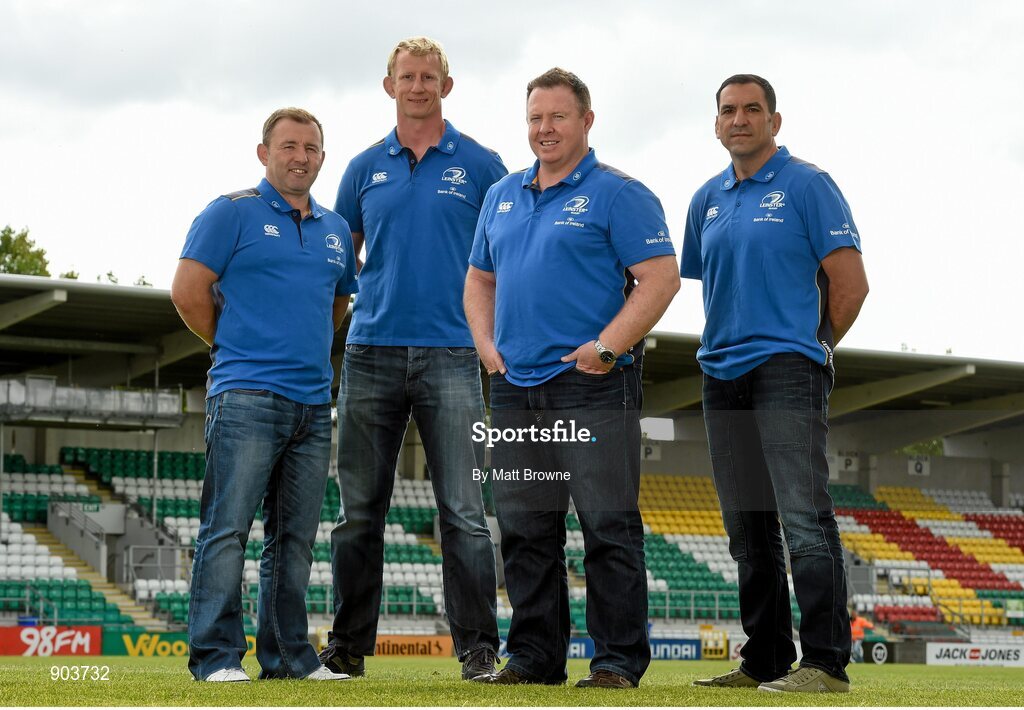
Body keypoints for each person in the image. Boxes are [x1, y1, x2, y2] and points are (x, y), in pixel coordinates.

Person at [465, 68, 680, 689]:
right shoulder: (502, 194)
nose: (544, 128)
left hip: (590, 385)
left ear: (587, 121)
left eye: (558, 116)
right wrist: (485, 345)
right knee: (527, 529)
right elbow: (479, 280)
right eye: (535, 117)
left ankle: (615, 663)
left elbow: (660, 277)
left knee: (606, 525)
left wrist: (608, 348)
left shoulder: (619, 193)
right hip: (513, 387)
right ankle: (534, 657)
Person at [318, 37, 507, 681]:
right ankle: (346, 648)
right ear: (389, 85)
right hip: (370, 352)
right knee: (358, 512)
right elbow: (336, 260)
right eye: (408, 76)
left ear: (446, 87)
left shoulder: (483, 165)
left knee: (463, 511)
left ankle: (479, 648)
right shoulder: (363, 167)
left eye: (429, 76)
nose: (418, 86)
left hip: (454, 355)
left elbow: (505, 260)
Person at [684, 75, 868, 694]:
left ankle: (824, 664)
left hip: (787, 368)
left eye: (752, 109)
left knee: (803, 517)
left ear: (775, 121)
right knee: (747, 527)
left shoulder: (809, 185)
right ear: (716, 124)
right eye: (728, 111)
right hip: (720, 371)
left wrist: (809, 345)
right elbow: (703, 280)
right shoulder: (705, 198)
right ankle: (763, 659)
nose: (740, 119)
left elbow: (850, 286)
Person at [171, 107, 358, 682]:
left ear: (322, 158)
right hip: (246, 396)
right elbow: (186, 291)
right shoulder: (229, 213)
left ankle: (289, 659)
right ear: (264, 153)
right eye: (288, 146)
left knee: (294, 541)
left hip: (312, 404)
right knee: (227, 529)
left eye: (311, 148)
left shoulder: (333, 228)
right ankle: (216, 658)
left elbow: (337, 303)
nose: (300, 157)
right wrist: (237, 346)